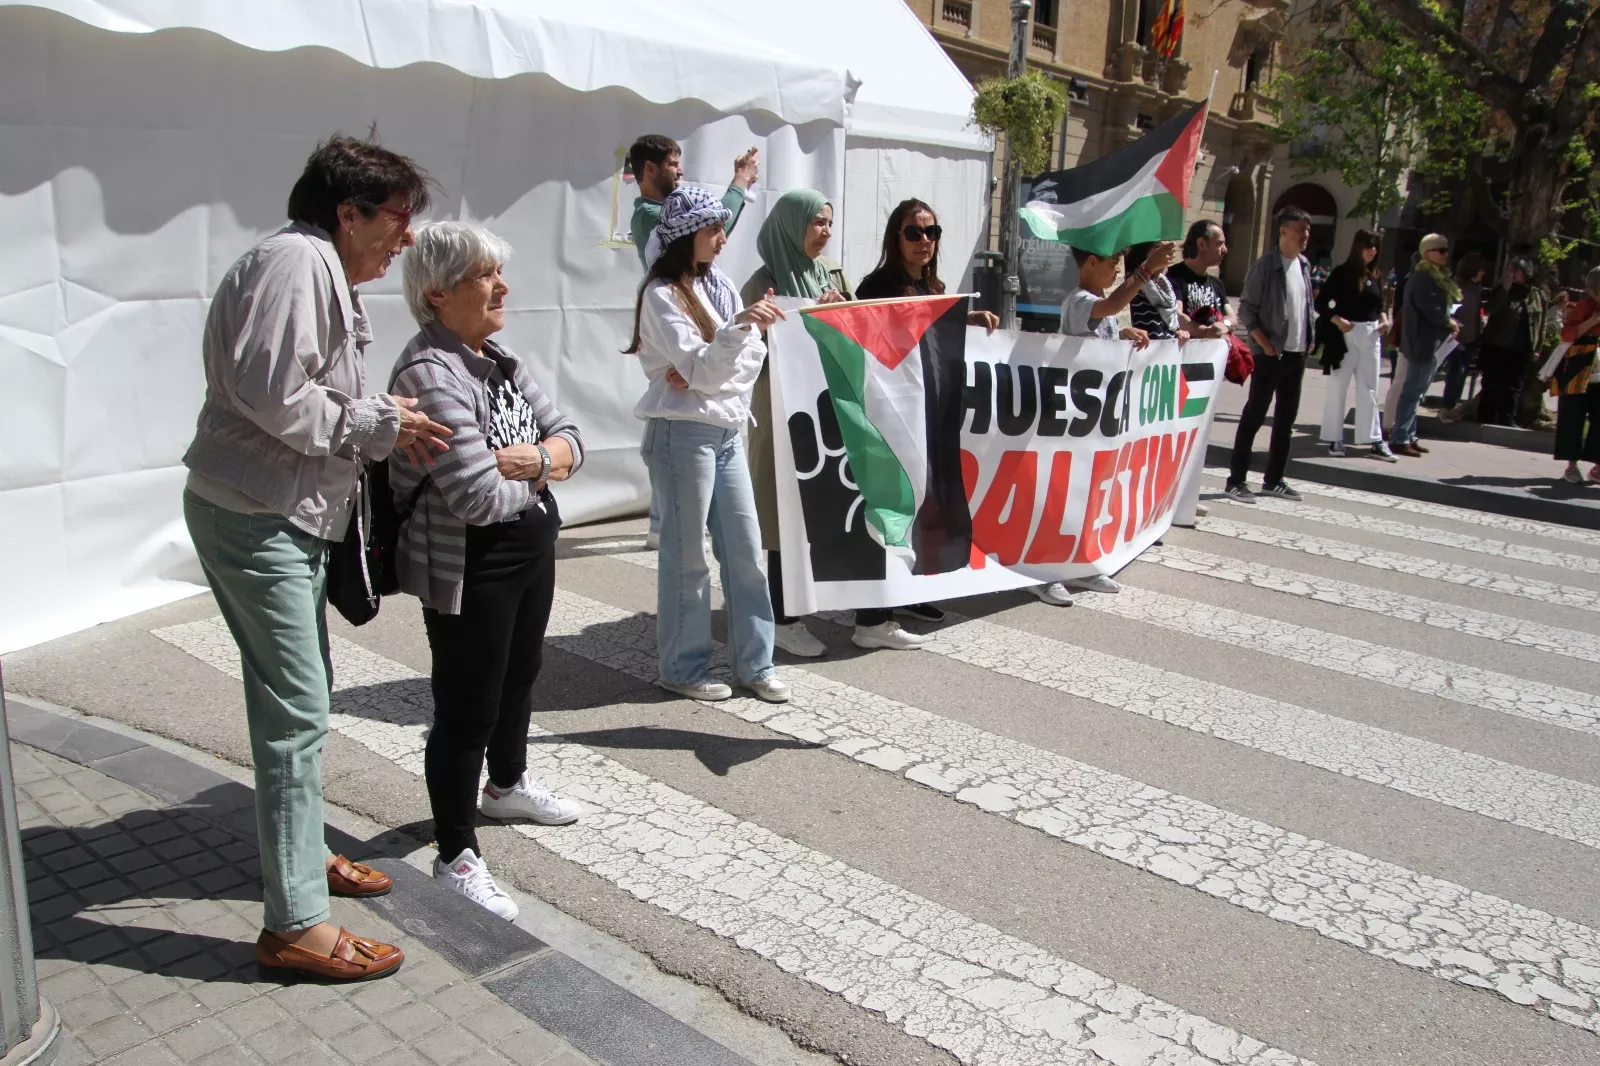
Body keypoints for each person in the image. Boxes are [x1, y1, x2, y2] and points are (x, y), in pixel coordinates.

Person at [181, 135, 449, 981]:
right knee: (296, 712)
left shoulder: (306, 261)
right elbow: (275, 395)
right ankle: (296, 923)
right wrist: (376, 421)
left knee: (298, 703)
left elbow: (290, 389)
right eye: (399, 216)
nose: (407, 236)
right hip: (257, 517)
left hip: (270, 514)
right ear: (349, 213)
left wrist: (377, 415)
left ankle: (301, 858)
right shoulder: (297, 262)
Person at [390, 222, 584, 920]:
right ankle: (455, 853)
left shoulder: (498, 358)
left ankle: (505, 787)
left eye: (498, 272)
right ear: (438, 294)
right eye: (484, 275)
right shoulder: (428, 374)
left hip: (526, 550)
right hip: (472, 564)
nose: (502, 286)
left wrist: (533, 461)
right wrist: (544, 471)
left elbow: (573, 439)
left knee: (520, 676)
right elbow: (474, 496)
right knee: (467, 706)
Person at [627, 186, 791, 703]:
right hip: (681, 435)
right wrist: (728, 345)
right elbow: (711, 367)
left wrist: (715, 361)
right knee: (687, 558)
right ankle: (682, 669)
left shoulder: (718, 285)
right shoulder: (660, 294)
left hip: (725, 432)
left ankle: (756, 665)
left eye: (722, 229)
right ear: (686, 235)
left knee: (745, 552)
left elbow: (742, 364)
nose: (722, 239)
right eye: (713, 230)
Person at [738, 189, 914, 655]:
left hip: (837, 412)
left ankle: (873, 619)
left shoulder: (831, 274)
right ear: (790, 225)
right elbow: (746, 351)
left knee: (858, 505)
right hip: (786, 419)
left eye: (830, 223)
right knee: (785, 515)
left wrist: (842, 311)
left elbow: (861, 337)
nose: (826, 232)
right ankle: (783, 619)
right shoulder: (762, 283)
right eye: (817, 222)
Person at [855, 199, 999, 619]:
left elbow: (933, 337)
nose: (924, 240)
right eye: (914, 232)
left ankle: (909, 590)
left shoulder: (936, 289)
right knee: (893, 505)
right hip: (894, 417)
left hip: (930, 412)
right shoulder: (876, 286)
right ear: (895, 238)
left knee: (927, 502)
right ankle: (873, 613)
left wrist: (963, 320)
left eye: (931, 232)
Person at [1032, 239, 1179, 604]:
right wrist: (1147, 269)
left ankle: (1080, 563)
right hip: (1072, 418)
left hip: (1097, 420)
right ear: (1091, 263)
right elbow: (1110, 306)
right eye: (1113, 263)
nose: (1117, 270)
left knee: (1089, 493)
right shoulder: (1080, 300)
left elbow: (1103, 323)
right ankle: (1043, 570)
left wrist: (1122, 334)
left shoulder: (1100, 306)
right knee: (1062, 496)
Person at [1225, 206, 1317, 503]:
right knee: (1254, 415)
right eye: (1300, 229)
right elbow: (1247, 310)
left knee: (1286, 420)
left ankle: (1274, 480)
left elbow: (1306, 307)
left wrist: (1310, 338)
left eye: (1307, 230)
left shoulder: (1304, 265)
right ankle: (1236, 481)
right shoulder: (1265, 266)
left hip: (1296, 354)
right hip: (1270, 354)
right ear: (1283, 231)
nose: (1305, 235)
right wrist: (1264, 344)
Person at [1316, 229, 1395, 461]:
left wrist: (1384, 320)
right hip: (1346, 334)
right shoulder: (1342, 273)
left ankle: (1374, 440)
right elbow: (1321, 302)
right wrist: (1337, 320)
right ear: (1358, 247)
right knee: (1338, 386)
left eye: (1376, 246)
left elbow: (1379, 306)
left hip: (1371, 334)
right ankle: (1334, 438)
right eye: (1368, 246)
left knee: (1370, 388)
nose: (1372, 251)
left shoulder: (1376, 274)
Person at [629, 134, 758, 269]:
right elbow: (711, 226)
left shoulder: (657, 211)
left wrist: (743, 181)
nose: (681, 171)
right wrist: (742, 177)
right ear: (650, 169)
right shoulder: (648, 214)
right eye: (673, 164)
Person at [1388, 234, 1461, 457]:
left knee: (1418, 392)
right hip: (1421, 342)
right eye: (1441, 250)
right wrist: (1448, 321)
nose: (1445, 254)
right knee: (1412, 392)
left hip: (1429, 342)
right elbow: (1431, 310)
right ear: (1427, 253)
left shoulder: (1434, 276)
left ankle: (1410, 435)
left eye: (1446, 250)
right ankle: (1400, 438)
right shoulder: (1423, 278)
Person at [1476, 257, 1547, 426]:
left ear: (1526, 273)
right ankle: (1485, 417)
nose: (1512, 274)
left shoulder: (1537, 295)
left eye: (1515, 270)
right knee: (1491, 382)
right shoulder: (1501, 291)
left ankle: (1507, 419)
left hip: (1521, 348)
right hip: (1496, 345)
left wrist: (1538, 348)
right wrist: (1505, 290)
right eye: (1509, 270)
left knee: (1514, 386)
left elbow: (1541, 324)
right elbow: (1491, 309)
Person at [1551, 267, 1600, 483]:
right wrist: (1592, 322)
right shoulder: (1583, 307)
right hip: (1577, 368)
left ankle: (1597, 467)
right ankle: (1571, 466)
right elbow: (1567, 334)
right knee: (1573, 416)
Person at [1441, 252, 1489, 412]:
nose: (1484, 273)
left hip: (1471, 338)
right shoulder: (1455, 286)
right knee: (1457, 371)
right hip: (1455, 338)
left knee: (1462, 373)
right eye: (1481, 269)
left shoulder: (1477, 288)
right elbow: (1448, 312)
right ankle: (1447, 406)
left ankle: (1453, 406)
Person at [1126, 242, 1192, 341]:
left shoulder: (1166, 284)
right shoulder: (1132, 285)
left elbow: (1170, 322)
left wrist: (1177, 332)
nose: (1170, 249)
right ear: (1146, 252)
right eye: (1160, 247)